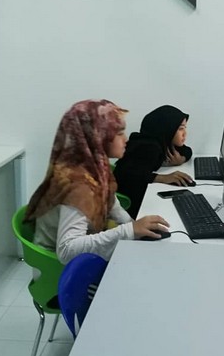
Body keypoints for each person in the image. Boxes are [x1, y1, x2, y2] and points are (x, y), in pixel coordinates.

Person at [24, 99, 169, 264]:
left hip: (81, 255)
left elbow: (112, 206)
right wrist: (129, 230)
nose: (126, 139)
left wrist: (135, 227)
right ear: (97, 137)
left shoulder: (95, 168)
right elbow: (66, 250)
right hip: (59, 268)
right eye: (119, 133)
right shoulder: (79, 186)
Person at [114, 105, 194, 218]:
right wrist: (161, 178)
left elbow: (187, 150)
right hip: (130, 205)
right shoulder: (148, 147)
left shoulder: (163, 141)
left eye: (185, 128)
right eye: (180, 128)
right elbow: (127, 174)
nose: (185, 133)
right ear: (167, 129)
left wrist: (181, 159)